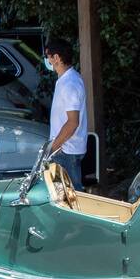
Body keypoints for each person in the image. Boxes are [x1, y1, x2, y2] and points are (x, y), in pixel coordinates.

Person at [45, 36, 88, 188]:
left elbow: (72, 122)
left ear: (56, 57)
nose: (47, 61)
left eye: (48, 57)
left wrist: (54, 147)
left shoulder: (70, 84)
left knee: (69, 199)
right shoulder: (67, 80)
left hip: (66, 151)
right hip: (64, 150)